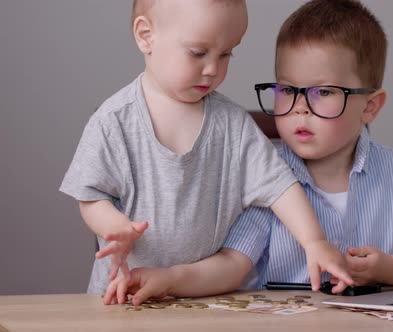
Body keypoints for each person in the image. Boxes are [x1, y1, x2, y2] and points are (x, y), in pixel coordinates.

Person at [103, 0, 393, 306]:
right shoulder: (265, 178)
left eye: (323, 92)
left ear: (370, 106)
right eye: (287, 90)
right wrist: (170, 278)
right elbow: (232, 264)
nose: (299, 108)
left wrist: (388, 269)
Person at [59, 0, 351, 299]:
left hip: (203, 296)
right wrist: (113, 225)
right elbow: (91, 197)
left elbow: (281, 187)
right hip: (122, 294)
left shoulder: (233, 124)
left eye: (226, 53)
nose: (213, 68)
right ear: (146, 36)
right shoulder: (114, 121)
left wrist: (315, 242)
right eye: (197, 53)